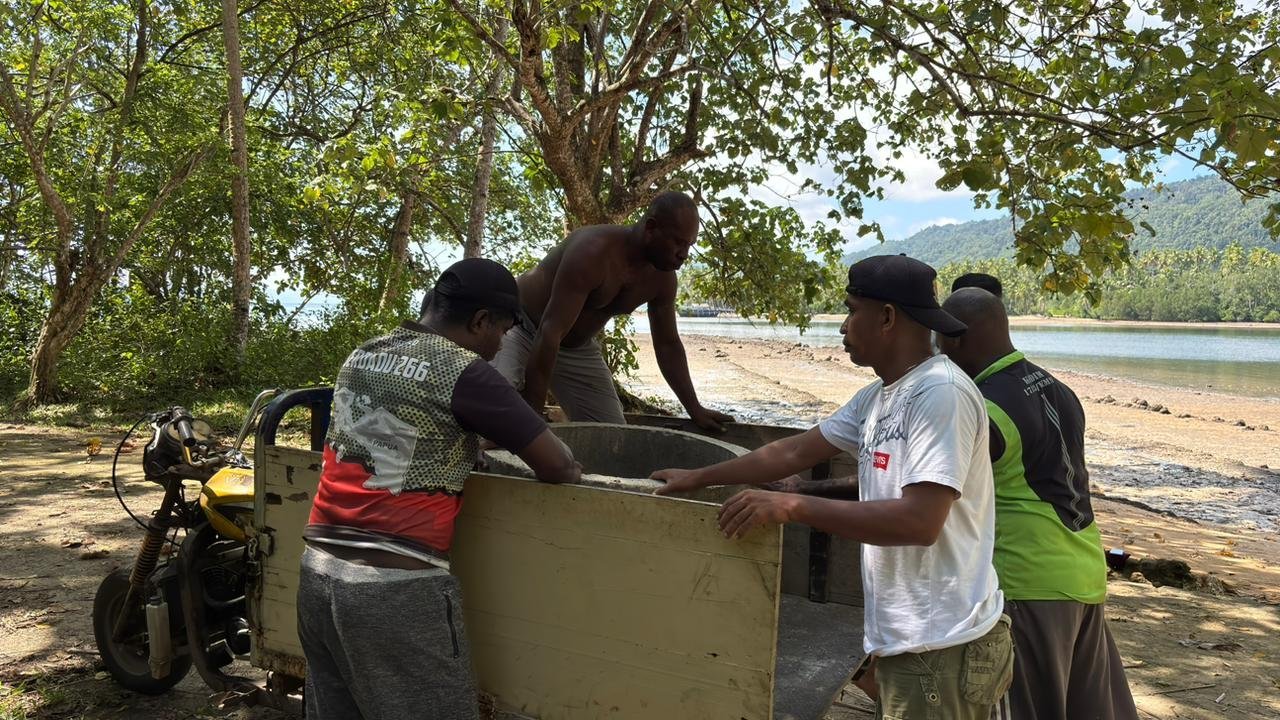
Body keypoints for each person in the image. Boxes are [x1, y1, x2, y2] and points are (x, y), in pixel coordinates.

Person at [653, 254, 1012, 720]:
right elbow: (792, 453)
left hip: (941, 644)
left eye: (850, 310)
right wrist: (699, 476)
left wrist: (792, 506)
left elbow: (919, 521)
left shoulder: (939, 394)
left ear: (886, 317)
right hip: (912, 643)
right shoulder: (881, 395)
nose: (842, 327)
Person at [298, 258, 581, 720]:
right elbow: (557, 465)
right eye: (503, 331)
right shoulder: (466, 372)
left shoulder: (364, 353)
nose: (500, 344)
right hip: (394, 592)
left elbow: (396, 430)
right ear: (480, 321)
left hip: (318, 577)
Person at [939, 287, 1138, 720]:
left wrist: (802, 494)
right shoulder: (1058, 389)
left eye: (940, 339)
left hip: (1026, 583)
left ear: (953, 339)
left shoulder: (984, 408)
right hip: (1083, 573)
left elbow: (929, 487)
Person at [492, 190, 734, 431]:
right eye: (678, 242)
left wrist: (695, 408)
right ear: (651, 228)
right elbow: (549, 332)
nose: (684, 255)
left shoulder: (663, 280)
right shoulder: (593, 251)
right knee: (496, 413)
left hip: (575, 347)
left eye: (689, 245)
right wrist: (533, 414)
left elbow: (668, 345)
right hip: (519, 326)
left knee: (612, 435)